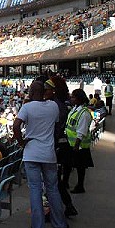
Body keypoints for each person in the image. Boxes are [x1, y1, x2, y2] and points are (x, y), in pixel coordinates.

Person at [12, 80, 68, 228]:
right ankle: (59, 224)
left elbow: (16, 126)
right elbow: (55, 124)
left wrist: (22, 142)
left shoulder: (27, 107)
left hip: (31, 153)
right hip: (48, 153)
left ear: (31, 92)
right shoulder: (53, 106)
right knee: (52, 189)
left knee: (35, 190)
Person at [45, 77, 78, 218]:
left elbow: (55, 129)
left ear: (53, 90)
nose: (44, 92)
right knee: (55, 181)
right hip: (62, 146)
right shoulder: (61, 103)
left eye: (46, 89)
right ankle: (68, 206)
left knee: (53, 181)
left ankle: (54, 211)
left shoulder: (56, 106)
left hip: (58, 147)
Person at [63, 89, 94, 194]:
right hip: (70, 143)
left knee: (80, 167)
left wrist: (76, 146)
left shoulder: (84, 114)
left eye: (73, 97)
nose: (71, 99)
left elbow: (81, 132)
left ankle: (80, 186)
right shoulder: (74, 109)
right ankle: (65, 182)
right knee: (67, 164)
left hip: (78, 146)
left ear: (79, 99)